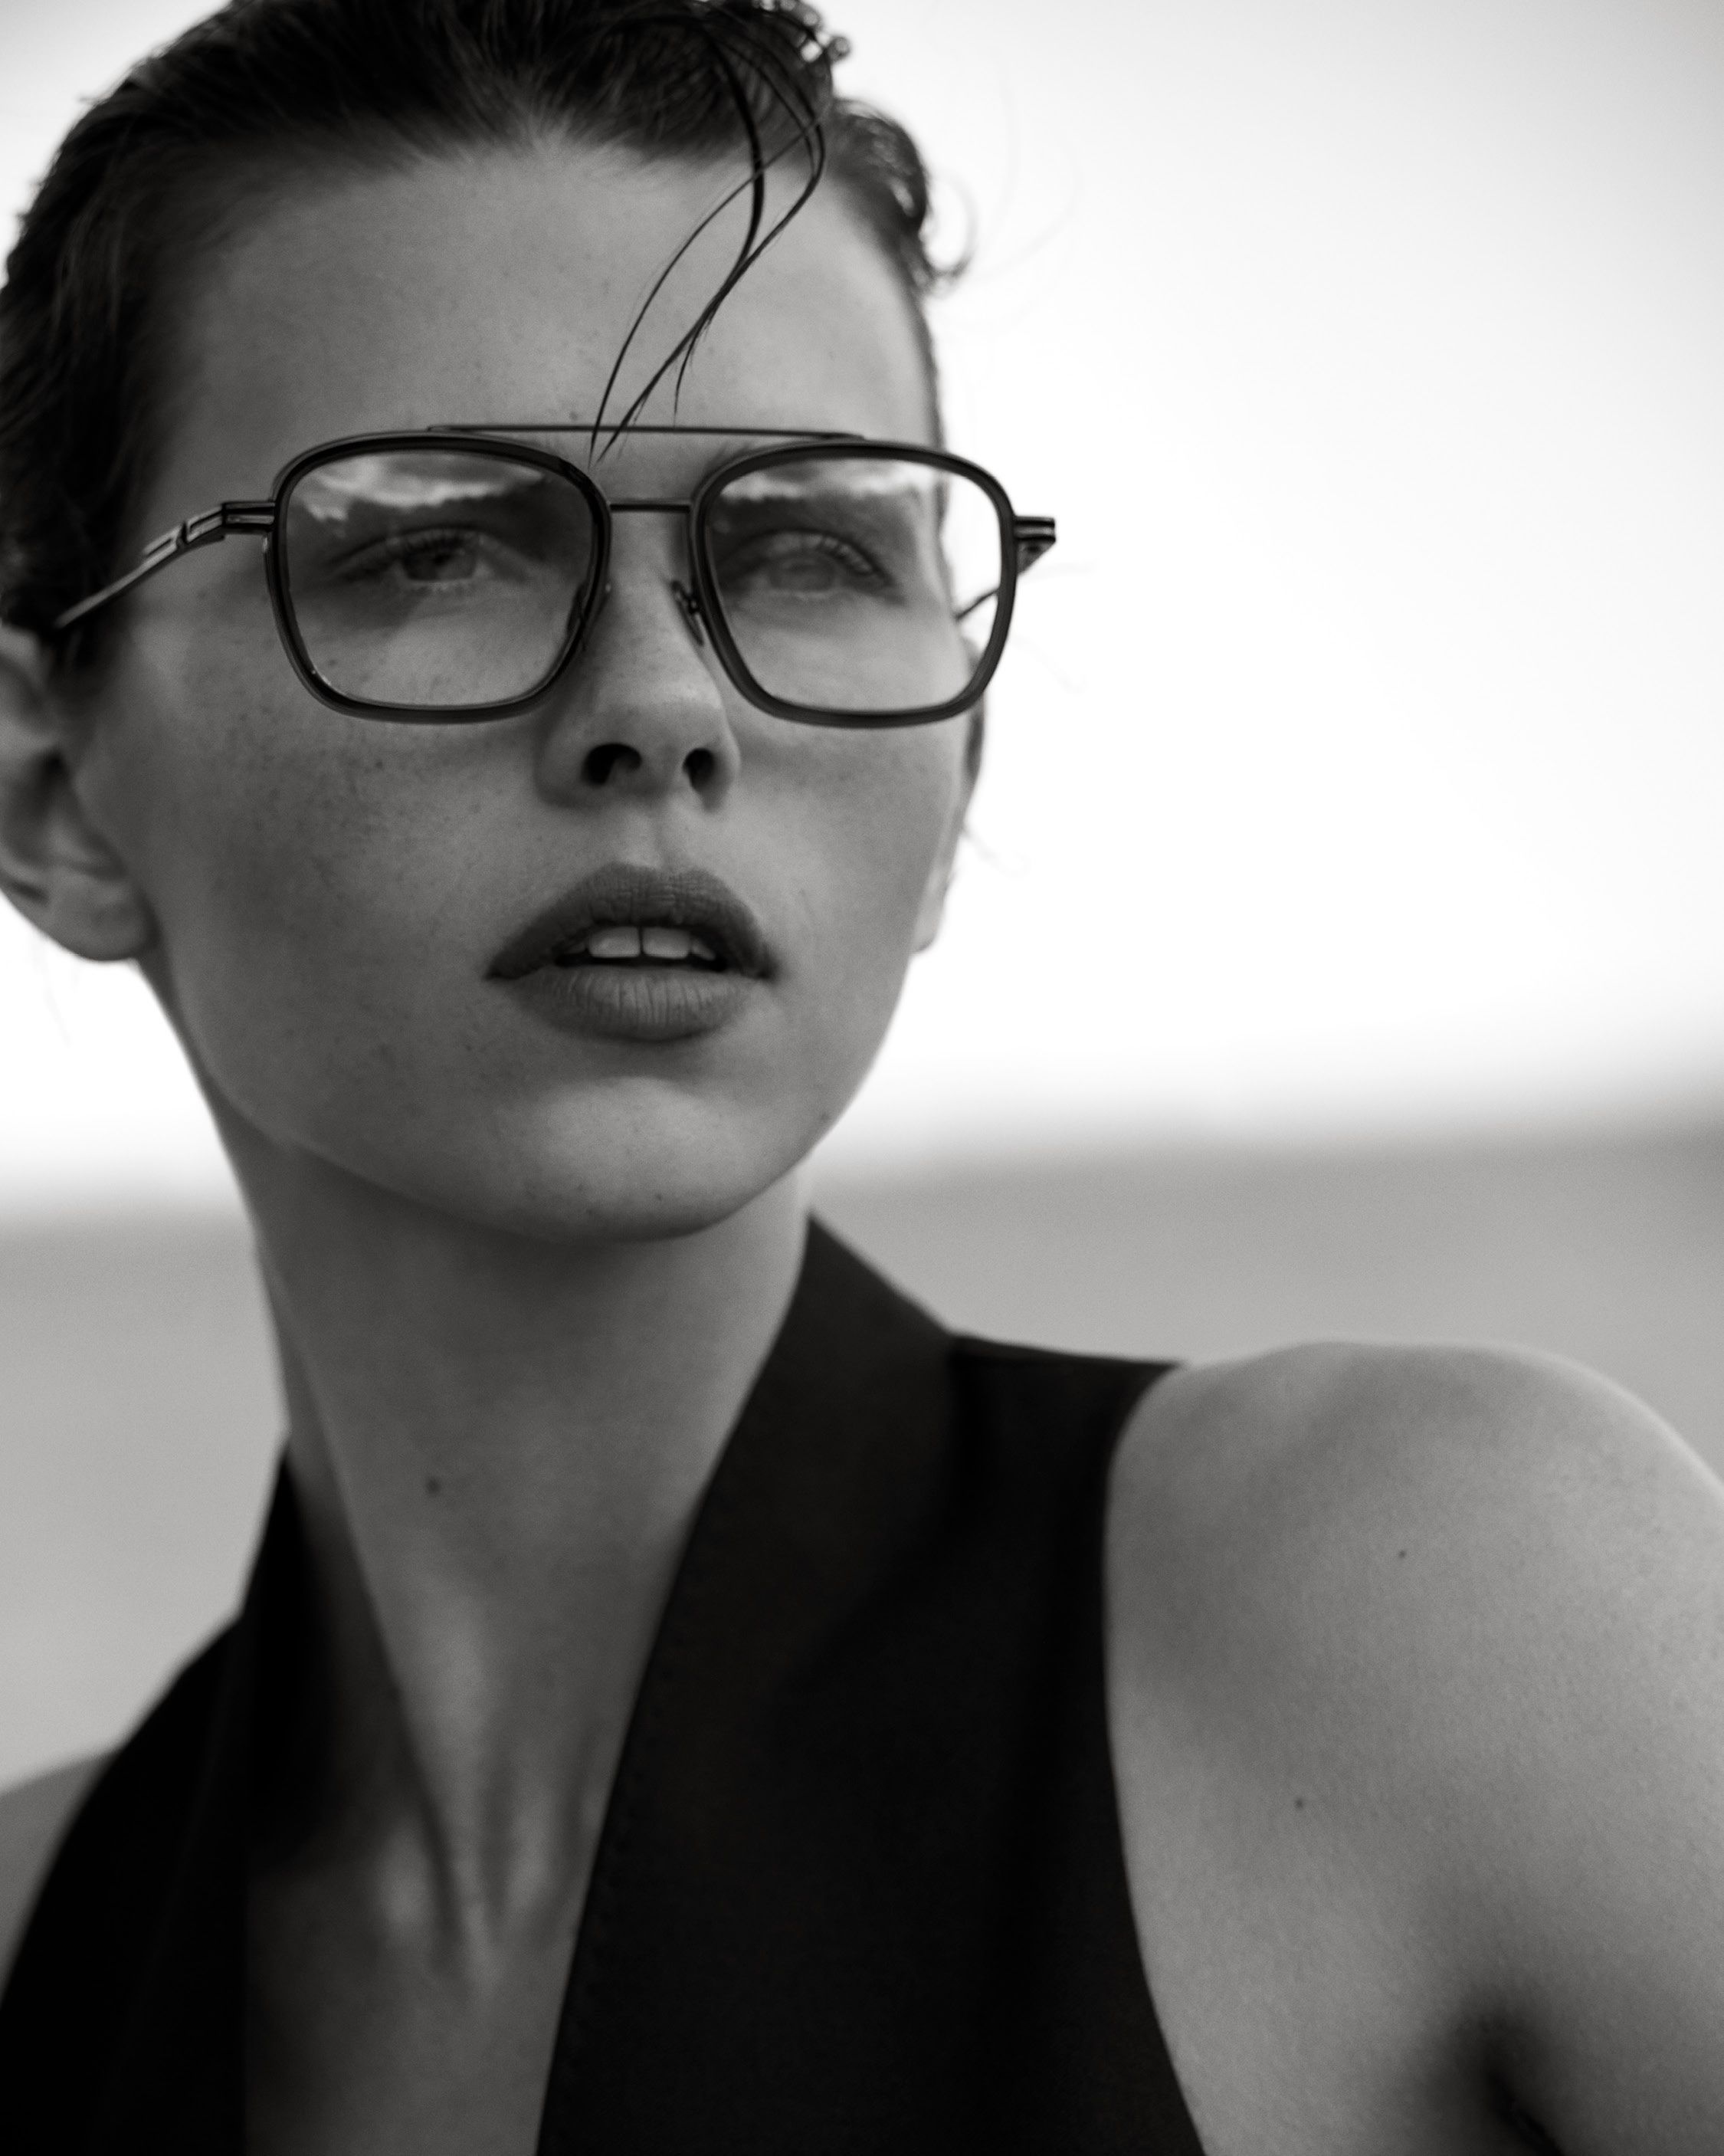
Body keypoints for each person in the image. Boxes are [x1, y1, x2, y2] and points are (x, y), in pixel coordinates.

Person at [0, 1, 1720, 2148]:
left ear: (958, 761)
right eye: (429, 541)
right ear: (52, 789)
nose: (660, 706)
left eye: (805, 552)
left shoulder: (1446, 1603)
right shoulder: (31, 1956)